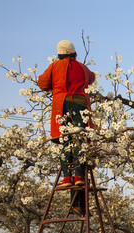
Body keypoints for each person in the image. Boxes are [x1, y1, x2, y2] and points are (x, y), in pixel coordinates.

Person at [38, 40, 96, 189]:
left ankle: (66, 177)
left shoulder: (54, 66)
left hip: (62, 104)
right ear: (75, 54)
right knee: (80, 138)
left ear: (59, 55)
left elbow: (43, 83)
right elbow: (92, 77)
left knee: (65, 138)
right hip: (81, 104)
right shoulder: (82, 67)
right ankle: (79, 176)